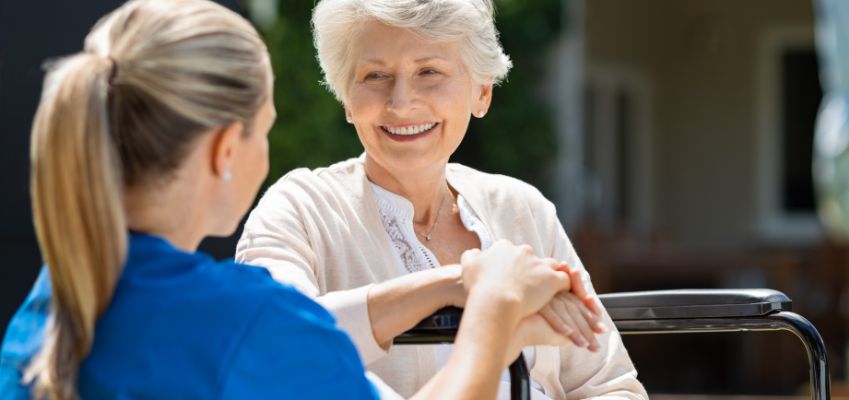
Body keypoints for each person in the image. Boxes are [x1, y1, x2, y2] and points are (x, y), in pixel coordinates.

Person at [0, 0, 584, 398]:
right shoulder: (248, 323)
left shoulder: (55, 301)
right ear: (228, 148)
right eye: (267, 127)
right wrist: (494, 314)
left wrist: (452, 282)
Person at [235, 0, 648, 399]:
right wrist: (463, 285)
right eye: (375, 76)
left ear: (481, 92)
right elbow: (272, 345)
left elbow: (609, 385)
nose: (401, 102)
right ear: (346, 97)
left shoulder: (522, 208)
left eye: (429, 71)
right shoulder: (299, 209)